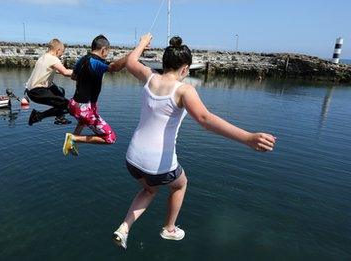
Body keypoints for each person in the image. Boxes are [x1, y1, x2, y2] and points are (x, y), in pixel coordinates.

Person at [112, 34, 276, 249]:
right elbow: (205, 119)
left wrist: (142, 43)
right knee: (180, 185)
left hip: (132, 159)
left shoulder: (149, 77)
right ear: (184, 69)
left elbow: (131, 61)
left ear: (164, 63)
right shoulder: (184, 90)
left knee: (150, 190)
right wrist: (247, 137)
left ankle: (124, 228)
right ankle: (169, 229)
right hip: (157, 164)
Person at [62, 35, 129, 156]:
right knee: (110, 138)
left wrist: (87, 79)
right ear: (103, 49)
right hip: (84, 108)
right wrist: (133, 54)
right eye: (107, 52)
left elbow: (73, 76)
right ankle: (73, 138)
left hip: (74, 104)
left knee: (83, 121)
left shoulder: (82, 59)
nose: (106, 55)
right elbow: (114, 67)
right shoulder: (96, 62)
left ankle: (72, 142)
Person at [26, 39, 73, 126]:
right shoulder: (53, 59)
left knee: (60, 91)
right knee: (68, 105)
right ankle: (38, 116)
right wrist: (83, 73)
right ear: (58, 50)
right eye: (62, 52)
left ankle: (60, 117)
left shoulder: (43, 57)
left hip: (31, 90)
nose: (62, 55)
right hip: (37, 92)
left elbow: (58, 71)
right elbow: (65, 72)